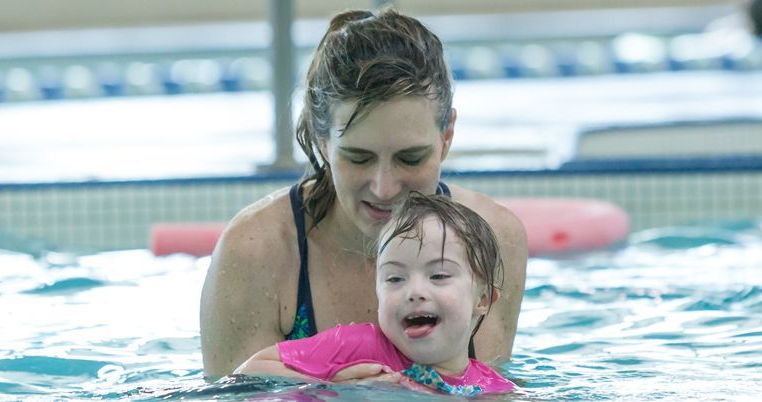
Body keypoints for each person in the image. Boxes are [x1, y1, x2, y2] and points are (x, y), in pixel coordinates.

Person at [199, 7, 527, 381]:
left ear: (447, 136)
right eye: (358, 158)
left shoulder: (494, 239)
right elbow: (233, 392)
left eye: (410, 157)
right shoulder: (257, 252)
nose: (384, 188)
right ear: (322, 142)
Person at [233, 192, 516, 395]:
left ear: (482, 300)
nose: (414, 292)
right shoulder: (359, 347)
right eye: (395, 278)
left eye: (438, 275)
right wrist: (329, 386)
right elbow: (250, 370)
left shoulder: (492, 388)